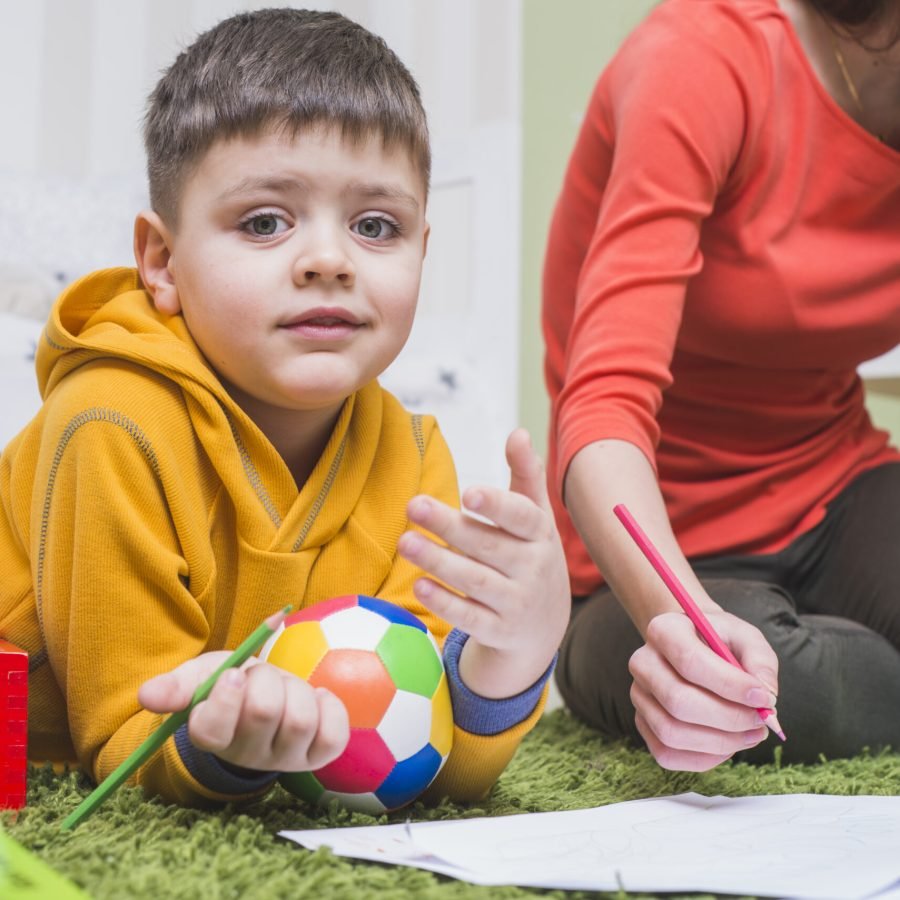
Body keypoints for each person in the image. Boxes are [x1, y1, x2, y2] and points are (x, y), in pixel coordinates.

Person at [0, 8, 570, 808]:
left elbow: (435, 764)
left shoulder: (413, 455)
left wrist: (517, 650)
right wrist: (214, 740)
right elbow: (121, 735)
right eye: (265, 222)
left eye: (376, 226)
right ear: (161, 262)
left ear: (422, 249)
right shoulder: (109, 423)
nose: (330, 261)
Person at [543, 0, 900, 772]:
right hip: (649, 556)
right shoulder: (702, 58)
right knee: (763, 689)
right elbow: (602, 406)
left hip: (837, 489)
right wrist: (679, 617)